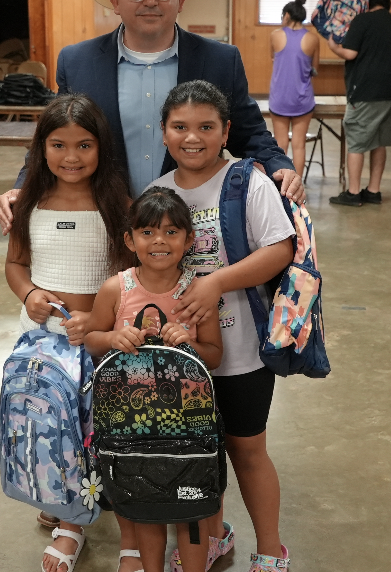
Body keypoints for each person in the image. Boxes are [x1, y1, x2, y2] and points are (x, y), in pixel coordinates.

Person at [0, 0, 303, 237]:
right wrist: (22, 186)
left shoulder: (220, 61)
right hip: (105, 224)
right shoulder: (78, 63)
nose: (151, 0)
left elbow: (248, 134)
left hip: (190, 230)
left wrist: (278, 164)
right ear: (115, 0)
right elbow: (54, 137)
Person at [148, 80, 296, 572]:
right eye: (180, 127)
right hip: (180, 359)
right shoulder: (156, 193)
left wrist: (214, 284)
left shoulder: (248, 181)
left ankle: (271, 549)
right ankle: (211, 537)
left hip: (244, 350)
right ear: (164, 133)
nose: (193, 137)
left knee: (247, 450)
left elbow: (280, 250)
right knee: (194, 455)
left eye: (206, 127)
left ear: (226, 130)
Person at [2, 94, 133, 572]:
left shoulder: (116, 204)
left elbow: (127, 275)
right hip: (42, 343)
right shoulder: (28, 202)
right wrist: (28, 292)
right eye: (58, 145)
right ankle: (70, 519)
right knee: (54, 431)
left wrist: (97, 319)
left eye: (84, 145)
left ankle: (123, 518)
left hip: (96, 343)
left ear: (102, 149)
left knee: (95, 429)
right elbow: (15, 264)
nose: (71, 157)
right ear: (42, 148)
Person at [82, 187, 224, 572]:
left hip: (190, 426)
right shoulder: (117, 288)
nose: (159, 241)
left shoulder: (198, 291)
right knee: (146, 505)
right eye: (147, 232)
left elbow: (214, 353)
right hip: (130, 426)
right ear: (130, 239)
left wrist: (190, 343)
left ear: (189, 239)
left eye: (171, 232)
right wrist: (113, 338)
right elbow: (91, 339)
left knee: (189, 508)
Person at [326, 0, 391, 207]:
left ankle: (353, 193)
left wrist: (334, 46)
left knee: (356, 141)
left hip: (367, 90)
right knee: (379, 141)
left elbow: (350, 52)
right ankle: (373, 190)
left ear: (365, 2)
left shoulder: (362, 20)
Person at [269, 0, 320, 175]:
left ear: (287, 15)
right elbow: (315, 69)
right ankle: (297, 187)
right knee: (299, 146)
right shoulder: (313, 39)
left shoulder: (275, 35)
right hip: (303, 99)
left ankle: (281, 187)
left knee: (281, 145)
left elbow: (273, 58)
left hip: (280, 99)